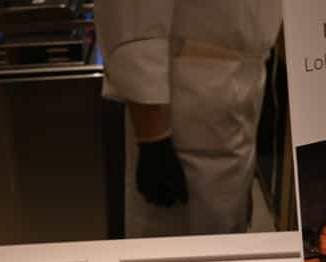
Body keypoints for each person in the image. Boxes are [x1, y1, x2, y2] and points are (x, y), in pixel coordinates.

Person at [95, 1, 282, 237]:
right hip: (184, 95)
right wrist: (152, 135)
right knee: (176, 234)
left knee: (227, 228)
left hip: (241, 86)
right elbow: (132, 17)